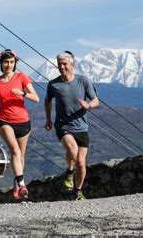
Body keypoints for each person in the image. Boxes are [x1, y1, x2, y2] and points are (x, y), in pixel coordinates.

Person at [44, 51, 99, 200]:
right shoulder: (53, 84)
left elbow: (96, 100)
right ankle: (69, 172)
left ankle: (78, 191)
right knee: (72, 150)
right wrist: (49, 119)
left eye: (64, 64)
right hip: (63, 125)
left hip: (81, 127)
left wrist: (88, 105)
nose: (61, 67)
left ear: (72, 65)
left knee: (81, 163)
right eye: (59, 64)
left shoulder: (83, 81)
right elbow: (47, 100)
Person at [0, 49, 40, 200]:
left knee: (20, 156)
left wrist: (22, 93)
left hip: (23, 121)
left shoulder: (21, 77)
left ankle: (17, 182)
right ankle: (23, 185)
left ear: (15, 63)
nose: (8, 65)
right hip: (4, 120)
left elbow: (36, 98)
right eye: (5, 62)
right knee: (15, 152)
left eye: (11, 62)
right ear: (1, 63)